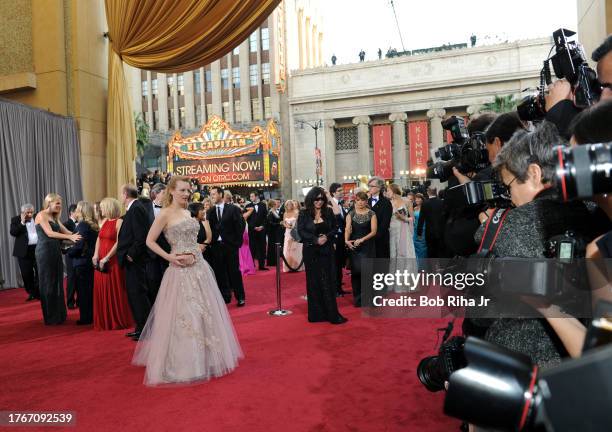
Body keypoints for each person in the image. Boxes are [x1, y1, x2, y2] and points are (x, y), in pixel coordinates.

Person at [475, 122, 609, 365]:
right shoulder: (599, 214)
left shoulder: (502, 228)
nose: (510, 198)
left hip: (523, 368)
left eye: (509, 186)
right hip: (588, 370)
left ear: (535, 174)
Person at [133, 176, 242, 386]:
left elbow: (193, 238)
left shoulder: (186, 212)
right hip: (179, 272)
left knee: (203, 313)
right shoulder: (165, 214)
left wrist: (198, 247)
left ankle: (205, 360)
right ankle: (186, 364)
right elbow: (149, 240)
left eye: (188, 190)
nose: (186, 194)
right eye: (182, 190)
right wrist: (169, 257)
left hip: (200, 269)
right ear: (171, 191)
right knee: (185, 316)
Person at [297, 187, 347, 324]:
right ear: (311, 199)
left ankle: (331, 313)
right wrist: (315, 240)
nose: (319, 201)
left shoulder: (329, 211)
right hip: (311, 252)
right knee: (313, 282)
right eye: (316, 199)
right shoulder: (304, 213)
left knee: (328, 280)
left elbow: (335, 227)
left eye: (321, 199)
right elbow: (300, 231)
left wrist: (326, 237)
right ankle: (316, 314)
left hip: (326, 250)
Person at [34, 194, 81, 325]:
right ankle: (50, 317)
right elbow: (50, 233)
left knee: (57, 282)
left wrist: (79, 235)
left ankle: (59, 314)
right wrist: (71, 238)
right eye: (57, 203)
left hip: (55, 251)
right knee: (48, 283)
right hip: (44, 252)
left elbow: (67, 231)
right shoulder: (41, 215)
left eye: (60, 203)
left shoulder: (55, 217)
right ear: (49, 203)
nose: (60, 206)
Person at [117, 184, 152, 341]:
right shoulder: (135, 207)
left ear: (125, 195)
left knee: (138, 294)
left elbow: (141, 235)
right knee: (134, 294)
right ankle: (140, 327)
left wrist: (131, 254)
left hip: (135, 260)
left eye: (121, 194)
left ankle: (144, 329)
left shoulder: (136, 208)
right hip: (132, 260)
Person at [93, 198, 133, 331]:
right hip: (101, 260)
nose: (101, 210)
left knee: (114, 289)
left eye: (103, 207)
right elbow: (99, 238)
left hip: (113, 260)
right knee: (102, 288)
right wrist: (95, 255)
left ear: (110, 207)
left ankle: (116, 319)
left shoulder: (119, 221)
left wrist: (106, 258)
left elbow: (119, 242)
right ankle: (105, 320)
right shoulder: (104, 221)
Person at [207, 186, 247, 306]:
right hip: (216, 247)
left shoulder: (233, 209)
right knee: (220, 272)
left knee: (234, 271)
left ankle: (240, 296)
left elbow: (240, 226)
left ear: (220, 194)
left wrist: (237, 243)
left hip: (230, 246)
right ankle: (225, 296)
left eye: (214, 194)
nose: (212, 196)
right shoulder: (210, 211)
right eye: (211, 194)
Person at [68, 201, 99, 325]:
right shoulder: (93, 225)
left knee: (83, 292)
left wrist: (69, 252)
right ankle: (90, 315)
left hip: (81, 262)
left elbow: (79, 245)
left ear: (81, 211)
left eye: (77, 209)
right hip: (89, 261)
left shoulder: (82, 225)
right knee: (89, 290)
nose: (75, 212)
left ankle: (86, 318)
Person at [345, 191, 377, 307]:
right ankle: (358, 300)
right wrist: (346, 240)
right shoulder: (351, 214)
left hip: (368, 246)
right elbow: (347, 229)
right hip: (355, 247)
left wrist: (363, 239)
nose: (360, 202)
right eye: (358, 200)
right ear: (355, 201)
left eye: (363, 200)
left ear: (366, 201)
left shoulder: (372, 214)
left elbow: (374, 231)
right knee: (356, 273)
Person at [10, 204, 40, 301]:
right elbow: (13, 232)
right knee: (26, 274)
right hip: (23, 252)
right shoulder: (15, 219)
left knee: (40, 271)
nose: (30, 214)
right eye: (28, 212)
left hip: (38, 249)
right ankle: (31, 292)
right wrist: (22, 222)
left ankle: (38, 292)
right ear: (22, 212)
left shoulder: (37, 217)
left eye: (32, 212)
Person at [330, 183, 349, 295]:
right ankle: (335, 289)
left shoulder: (341, 205)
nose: (342, 192)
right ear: (333, 193)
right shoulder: (329, 205)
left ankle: (339, 288)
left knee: (340, 263)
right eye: (339, 190)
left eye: (342, 190)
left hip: (341, 238)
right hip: (334, 239)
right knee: (335, 264)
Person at [416, 187, 445, 258]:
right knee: (441, 251)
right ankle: (441, 267)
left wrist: (419, 232)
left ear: (428, 192)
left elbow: (421, 219)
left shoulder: (425, 203)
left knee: (430, 251)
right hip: (441, 231)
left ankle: (432, 268)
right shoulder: (442, 202)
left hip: (429, 232)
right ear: (436, 192)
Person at [367, 177, 392, 259]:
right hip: (367, 239)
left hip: (381, 238)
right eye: (369, 186)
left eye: (372, 186)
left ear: (379, 188)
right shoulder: (366, 202)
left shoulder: (386, 202)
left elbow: (385, 223)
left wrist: (375, 235)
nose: (369, 188)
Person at [246, 192, 268, 270]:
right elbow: (247, 219)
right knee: (252, 248)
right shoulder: (248, 206)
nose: (250, 198)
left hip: (261, 230)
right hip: (252, 230)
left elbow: (265, 218)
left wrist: (262, 226)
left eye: (252, 196)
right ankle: (252, 266)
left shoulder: (263, 205)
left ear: (256, 197)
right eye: (250, 196)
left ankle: (262, 266)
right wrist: (253, 227)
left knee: (262, 247)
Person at [281, 200, 304, 273]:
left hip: (295, 232)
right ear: (286, 206)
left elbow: (298, 223)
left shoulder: (296, 212)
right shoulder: (285, 213)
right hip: (287, 233)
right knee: (288, 248)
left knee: (296, 248)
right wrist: (286, 225)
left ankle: (297, 266)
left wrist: (293, 228)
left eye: (291, 204)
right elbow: (284, 222)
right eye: (288, 205)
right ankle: (288, 266)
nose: (289, 206)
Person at [64, 204, 78, 309]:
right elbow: (62, 240)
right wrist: (73, 242)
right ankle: (70, 301)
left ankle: (80, 300)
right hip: (70, 254)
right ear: (72, 213)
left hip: (81, 254)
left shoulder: (83, 222)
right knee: (71, 278)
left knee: (81, 278)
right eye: (78, 211)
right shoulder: (65, 224)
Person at [239, 205, 256, 276]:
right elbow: (252, 209)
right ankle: (247, 267)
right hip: (244, 235)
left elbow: (252, 209)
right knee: (245, 251)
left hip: (243, 235)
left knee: (242, 251)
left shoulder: (243, 216)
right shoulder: (243, 216)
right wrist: (244, 207)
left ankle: (243, 267)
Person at [265, 199, 283, 266]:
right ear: (273, 205)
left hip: (275, 231)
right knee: (272, 246)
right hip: (272, 232)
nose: (277, 205)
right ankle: (271, 262)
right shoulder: (270, 212)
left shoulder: (274, 211)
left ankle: (274, 261)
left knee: (275, 246)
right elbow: (270, 223)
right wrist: (279, 223)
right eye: (275, 204)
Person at [413, 193, 428, 260]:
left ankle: (423, 264)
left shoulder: (425, 207)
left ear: (422, 199)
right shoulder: (414, 208)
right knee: (415, 245)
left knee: (422, 246)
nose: (417, 200)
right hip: (415, 229)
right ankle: (418, 263)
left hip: (423, 229)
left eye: (419, 198)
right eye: (416, 198)